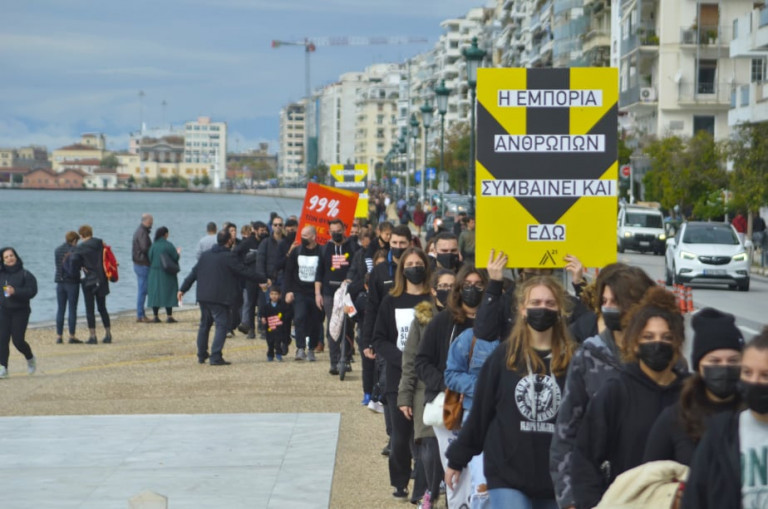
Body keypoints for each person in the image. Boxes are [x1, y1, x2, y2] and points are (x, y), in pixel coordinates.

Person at [445, 276, 575, 508]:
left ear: (560, 310)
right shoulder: (503, 358)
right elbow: (480, 413)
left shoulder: (575, 361)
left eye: (549, 303)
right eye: (535, 303)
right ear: (523, 310)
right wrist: (457, 458)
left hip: (557, 477)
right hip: (507, 473)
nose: (542, 308)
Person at [549, 264, 657, 509]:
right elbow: (565, 434)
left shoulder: (661, 356)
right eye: (605, 300)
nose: (609, 307)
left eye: (616, 301)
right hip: (600, 492)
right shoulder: (588, 356)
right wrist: (569, 498)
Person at [571, 287, 688, 509]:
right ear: (635, 343)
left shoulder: (691, 394)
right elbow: (585, 457)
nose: (657, 344)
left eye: (666, 338)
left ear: (677, 343)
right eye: (648, 337)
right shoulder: (616, 392)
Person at [415, 265, 488, 507]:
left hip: (485, 405)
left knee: (483, 470)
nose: (473, 290)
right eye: (467, 285)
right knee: (455, 470)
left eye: (479, 285)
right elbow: (422, 361)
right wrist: (447, 384)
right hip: (451, 404)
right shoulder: (443, 321)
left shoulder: (495, 322)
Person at [644, 307, 743, 465]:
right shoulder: (675, 418)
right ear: (699, 366)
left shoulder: (754, 414)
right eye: (714, 361)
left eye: (733, 361)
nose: (724, 368)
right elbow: (651, 478)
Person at [682, 327, 768, 508]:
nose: (754, 381)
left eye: (765, 375)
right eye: (747, 372)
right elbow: (695, 498)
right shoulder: (720, 434)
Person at [372, 247, 433, 501]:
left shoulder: (432, 299)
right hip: (398, 377)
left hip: (427, 378)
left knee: (424, 436)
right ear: (402, 269)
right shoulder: (391, 300)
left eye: (419, 263)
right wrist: (404, 359)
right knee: (399, 438)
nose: (415, 267)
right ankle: (399, 481)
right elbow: (379, 339)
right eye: (410, 263)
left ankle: (423, 485)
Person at [398, 268, 456, 506]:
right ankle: (431, 491)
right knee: (430, 444)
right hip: (426, 392)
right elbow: (410, 360)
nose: (449, 292)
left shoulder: (466, 319)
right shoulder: (422, 319)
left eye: (454, 287)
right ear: (433, 290)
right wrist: (404, 396)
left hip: (456, 391)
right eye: (444, 287)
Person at [178, 230, 264, 365]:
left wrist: (183, 289)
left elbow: (193, 274)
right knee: (221, 325)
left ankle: (201, 354)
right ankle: (215, 356)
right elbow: (244, 271)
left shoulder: (205, 256)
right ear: (229, 241)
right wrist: (263, 278)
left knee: (204, 325)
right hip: (219, 297)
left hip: (203, 296)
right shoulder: (229, 257)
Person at [444, 324, 501, 509]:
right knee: (482, 486)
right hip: (476, 414)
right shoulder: (469, 338)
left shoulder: (522, 340)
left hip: (511, 420)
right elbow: (451, 374)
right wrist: (484, 386)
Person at [315, 219, 355, 375]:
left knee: (348, 325)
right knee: (333, 326)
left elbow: (356, 268)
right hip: (329, 293)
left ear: (344, 229)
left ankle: (346, 358)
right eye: (333, 231)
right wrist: (318, 294)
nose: (336, 234)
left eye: (339, 230)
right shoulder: (325, 249)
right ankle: (334, 361)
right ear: (329, 231)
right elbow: (319, 273)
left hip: (348, 293)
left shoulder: (352, 247)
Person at [284, 225, 323, 361]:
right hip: (299, 291)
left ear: (313, 236)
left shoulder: (321, 251)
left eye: (306, 236)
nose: (302, 238)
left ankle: (311, 348)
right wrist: (288, 291)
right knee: (299, 318)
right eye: (302, 235)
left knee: (315, 321)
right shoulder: (296, 251)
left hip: (315, 292)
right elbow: (288, 272)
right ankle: (300, 348)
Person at [0, 247, 38, 379]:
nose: (9, 258)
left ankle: (30, 358)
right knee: (2, 339)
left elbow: (32, 291)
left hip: (20, 311)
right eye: (6, 257)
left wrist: (15, 291)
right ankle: (3, 368)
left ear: (16, 256)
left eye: (11, 255)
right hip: (4, 311)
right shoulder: (1, 274)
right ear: (2, 260)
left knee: (18, 341)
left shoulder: (25, 274)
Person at [71, 225, 112, 344]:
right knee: (102, 307)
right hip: (102, 278)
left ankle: (93, 336)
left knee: (90, 309)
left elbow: (74, 260)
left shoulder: (80, 247)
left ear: (81, 235)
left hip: (88, 280)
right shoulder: (100, 243)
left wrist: (80, 266)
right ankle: (108, 334)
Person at [147, 226, 180, 323]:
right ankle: (169, 316)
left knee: (155, 294)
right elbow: (175, 257)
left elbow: (150, 258)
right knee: (168, 293)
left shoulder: (153, 245)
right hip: (167, 273)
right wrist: (178, 253)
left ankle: (155, 316)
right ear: (165, 234)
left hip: (154, 272)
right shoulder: (168, 245)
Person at [54, 231, 81, 344]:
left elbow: (57, 265)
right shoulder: (75, 250)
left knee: (60, 309)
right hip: (72, 282)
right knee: (72, 309)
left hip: (60, 281)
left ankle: (59, 336)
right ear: (74, 240)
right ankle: (71, 335)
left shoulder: (57, 250)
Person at [261, 285, 292, 361]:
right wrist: (263, 318)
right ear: (269, 295)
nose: (274, 296)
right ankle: (270, 354)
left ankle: (278, 354)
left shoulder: (282, 305)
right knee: (270, 342)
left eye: (276, 294)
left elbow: (287, 313)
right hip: (270, 328)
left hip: (279, 328)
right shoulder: (266, 306)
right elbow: (262, 314)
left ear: (280, 295)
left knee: (278, 342)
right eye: (272, 294)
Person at [132, 213, 153, 323]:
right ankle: (140, 314)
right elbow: (145, 248)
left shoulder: (140, 231)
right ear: (147, 222)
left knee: (142, 289)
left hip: (138, 263)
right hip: (142, 263)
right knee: (142, 290)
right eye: (151, 223)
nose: (151, 225)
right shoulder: (142, 233)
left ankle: (141, 313)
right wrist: (153, 251)